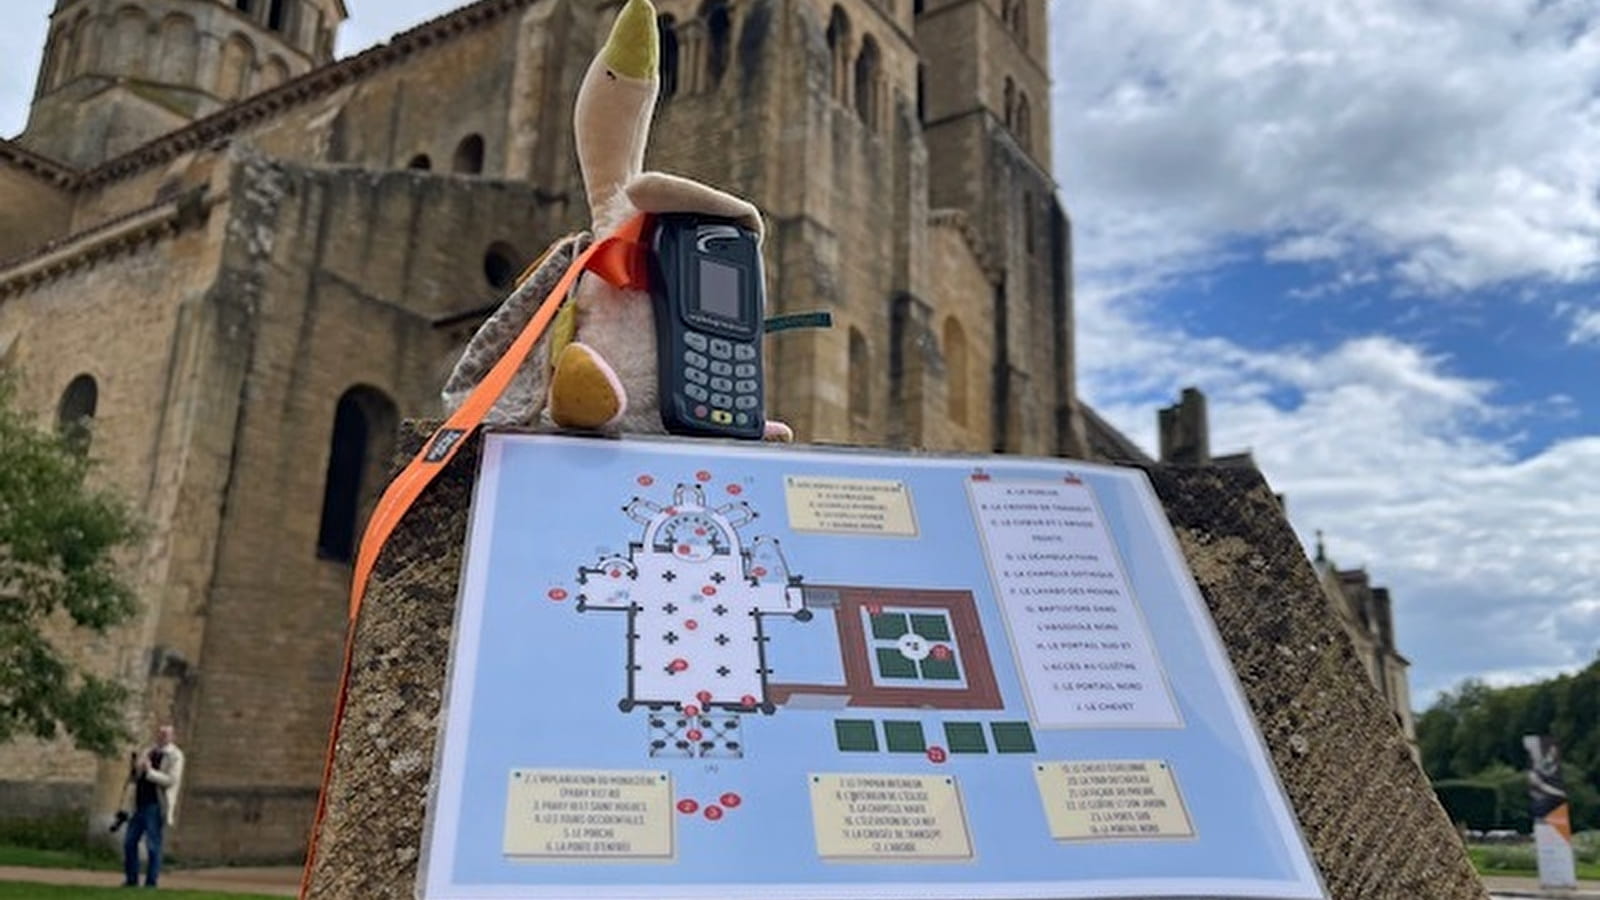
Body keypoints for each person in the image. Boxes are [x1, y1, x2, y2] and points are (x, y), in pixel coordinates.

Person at [121, 724, 184, 888]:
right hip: (139, 803)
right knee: (129, 842)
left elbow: (171, 780)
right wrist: (138, 767)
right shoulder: (149, 751)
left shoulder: (175, 756)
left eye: (166, 734)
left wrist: (150, 772)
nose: (162, 737)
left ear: (172, 737)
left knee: (153, 844)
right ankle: (131, 879)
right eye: (160, 733)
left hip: (155, 804)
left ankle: (151, 882)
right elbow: (136, 776)